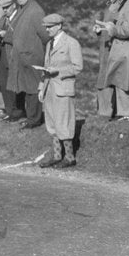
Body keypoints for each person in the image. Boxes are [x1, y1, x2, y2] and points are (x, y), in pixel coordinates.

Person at [36, 14, 83, 168]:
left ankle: (69, 157)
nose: (47, 30)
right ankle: (57, 156)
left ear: (59, 26)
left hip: (63, 89)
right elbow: (46, 67)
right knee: (52, 124)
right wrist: (41, 87)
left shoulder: (71, 43)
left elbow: (77, 67)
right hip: (50, 89)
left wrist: (58, 71)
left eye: (50, 27)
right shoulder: (50, 44)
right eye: (46, 27)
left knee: (64, 123)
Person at [3, 0, 50, 127]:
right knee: (26, 88)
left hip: (32, 57)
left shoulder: (35, 11)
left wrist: (39, 53)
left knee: (33, 89)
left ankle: (34, 120)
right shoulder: (24, 9)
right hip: (22, 57)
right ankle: (30, 118)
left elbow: (45, 36)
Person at [93, 0, 119, 117]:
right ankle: (104, 112)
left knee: (108, 80)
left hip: (112, 51)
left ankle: (107, 112)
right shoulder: (109, 5)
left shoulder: (119, 5)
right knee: (104, 79)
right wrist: (99, 31)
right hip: (106, 49)